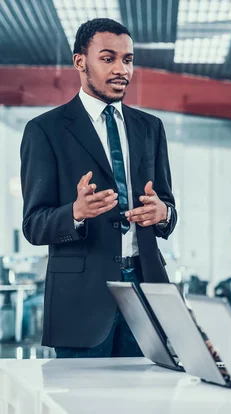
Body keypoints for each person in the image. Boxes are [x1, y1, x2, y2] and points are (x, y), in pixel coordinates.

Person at [20, 18, 177, 358]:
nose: (122, 69)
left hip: (147, 290)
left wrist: (163, 213)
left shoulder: (150, 128)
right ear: (81, 62)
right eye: (108, 58)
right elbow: (33, 224)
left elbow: (168, 206)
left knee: (147, 403)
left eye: (128, 59)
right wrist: (75, 213)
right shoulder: (44, 131)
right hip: (81, 298)